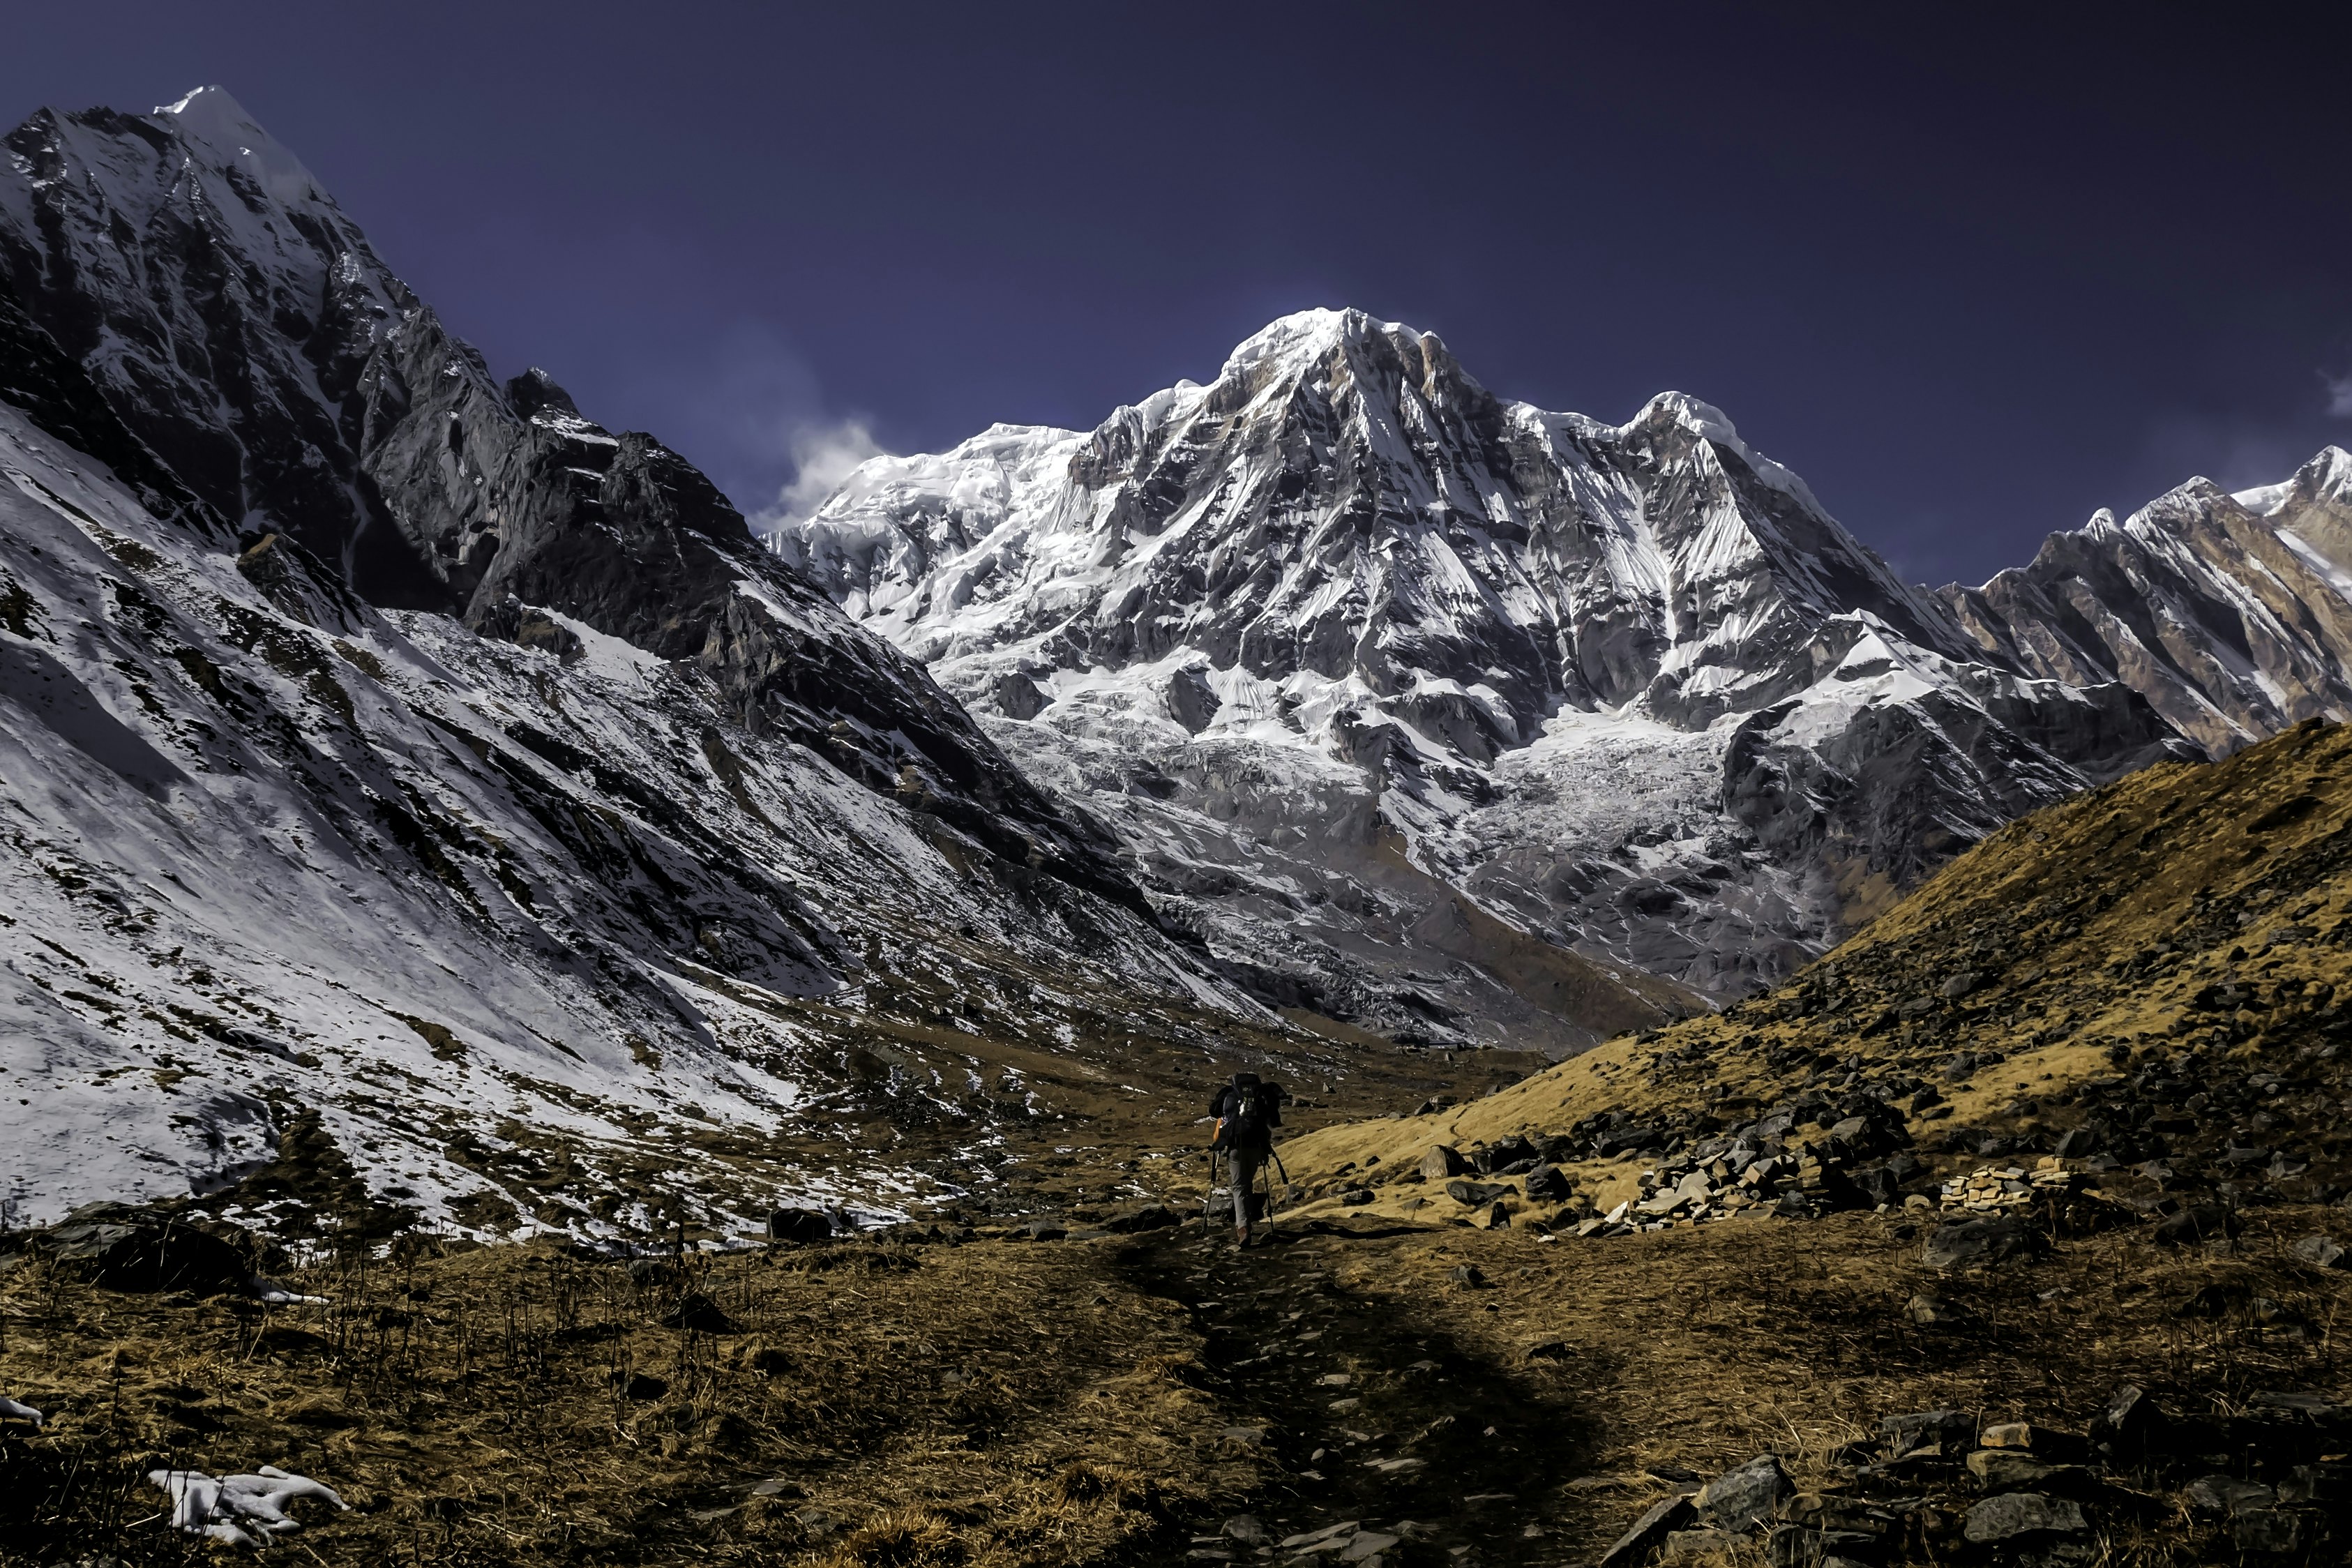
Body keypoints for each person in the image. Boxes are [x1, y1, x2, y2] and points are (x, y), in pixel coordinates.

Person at [1207, 1071, 1285, 1248]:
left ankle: (1243, 1229)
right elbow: (1269, 1122)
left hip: (1236, 1148)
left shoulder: (1230, 1097)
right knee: (1246, 1185)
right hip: (1256, 1147)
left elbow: (1216, 1114)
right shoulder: (1259, 1098)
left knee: (1240, 1187)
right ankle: (1247, 1221)